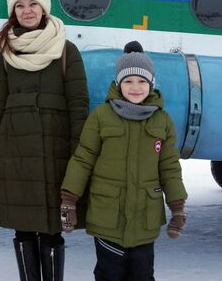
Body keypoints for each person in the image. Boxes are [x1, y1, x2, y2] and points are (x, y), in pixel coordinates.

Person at [0, 0, 89, 281]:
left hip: (56, 154)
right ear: (13, 12)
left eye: (33, 4)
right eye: (20, 5)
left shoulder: (67, 50)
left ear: (44, 8)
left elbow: (79, 108)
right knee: (24, 228)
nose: (27, 10)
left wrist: (80, 157)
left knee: (53, 229)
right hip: (13, 153)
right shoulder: (7, 52)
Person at [60, 41, 188, 281]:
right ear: (118, 83)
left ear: (151, 84)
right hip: (107, 214)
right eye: (128, 81)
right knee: (109, 274)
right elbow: (83, 159)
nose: (135, 87)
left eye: (142, 81)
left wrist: (178, 207)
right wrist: (69, 200)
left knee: (142, 274)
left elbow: (169, 167)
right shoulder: (100, 116)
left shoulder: (163, 121)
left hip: (144, 218)